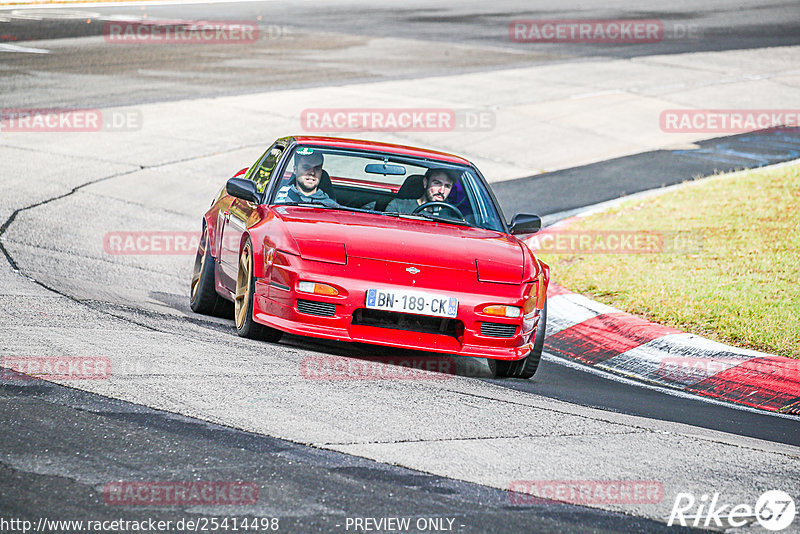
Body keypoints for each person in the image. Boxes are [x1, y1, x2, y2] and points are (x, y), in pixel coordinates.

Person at [274, 148, 339, 207]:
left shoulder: (331, 206)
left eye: (317, 168)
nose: (312, 173)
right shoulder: (278, 200)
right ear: (295, 170)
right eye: (306, 167)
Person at [385, 168, 455, 214]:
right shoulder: (399, 207)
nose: (441, 191)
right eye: (437, 183)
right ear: (425, 183)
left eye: (447, 186)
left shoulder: (453, 217)